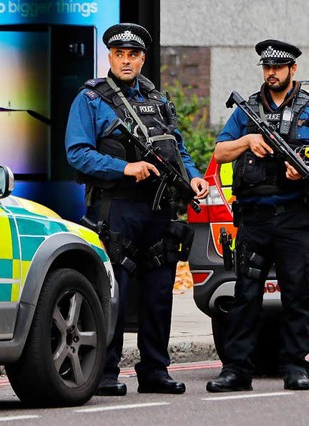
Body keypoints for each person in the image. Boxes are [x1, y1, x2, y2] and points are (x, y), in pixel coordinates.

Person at [65, 22, 209, 396]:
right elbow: (77, 154)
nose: (126, 61)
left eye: (133, 55)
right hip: (117, 209)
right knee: (115, 292)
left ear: (143, 58)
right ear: (109, 57)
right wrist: (124, 168)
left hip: (159, 208)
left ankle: (155, 371)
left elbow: (178, 148)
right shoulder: (92, 99)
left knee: (159, 294)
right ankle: (106, 373)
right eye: (119, 54)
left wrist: (192, 177)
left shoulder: (157, 99)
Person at [206, 40, 309, 392]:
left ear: (292, 70)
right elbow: (221, 152)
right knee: (245, 295)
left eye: (278, 67)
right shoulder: (247, 110)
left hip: (294, 218)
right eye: (267, 67)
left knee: (297, 295)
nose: (272, 73)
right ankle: (237, 370)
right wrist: (248, 140)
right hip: (253, 220)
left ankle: (295, 366)